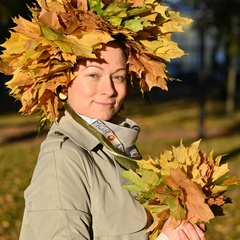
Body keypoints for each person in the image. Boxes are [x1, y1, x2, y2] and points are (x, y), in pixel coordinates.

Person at [0, 1, 206, 239]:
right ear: (63, 82)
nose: (109, 89)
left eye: (117, 76)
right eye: (93, 75)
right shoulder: (64, 158)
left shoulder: (117, 149)